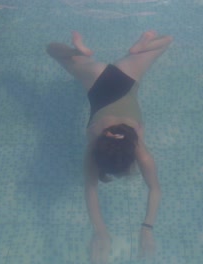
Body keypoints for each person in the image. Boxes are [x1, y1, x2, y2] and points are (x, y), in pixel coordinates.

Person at [46, 30, 173, 264]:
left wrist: (142, 228)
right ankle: (78, 51)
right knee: (53, 51)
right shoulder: (96, 145)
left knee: (165, 41)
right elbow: (92, 190)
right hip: (95, 80)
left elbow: (154, 189)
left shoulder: (137, 150)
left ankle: (135, 47)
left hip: (126, 76)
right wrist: (106, 231)